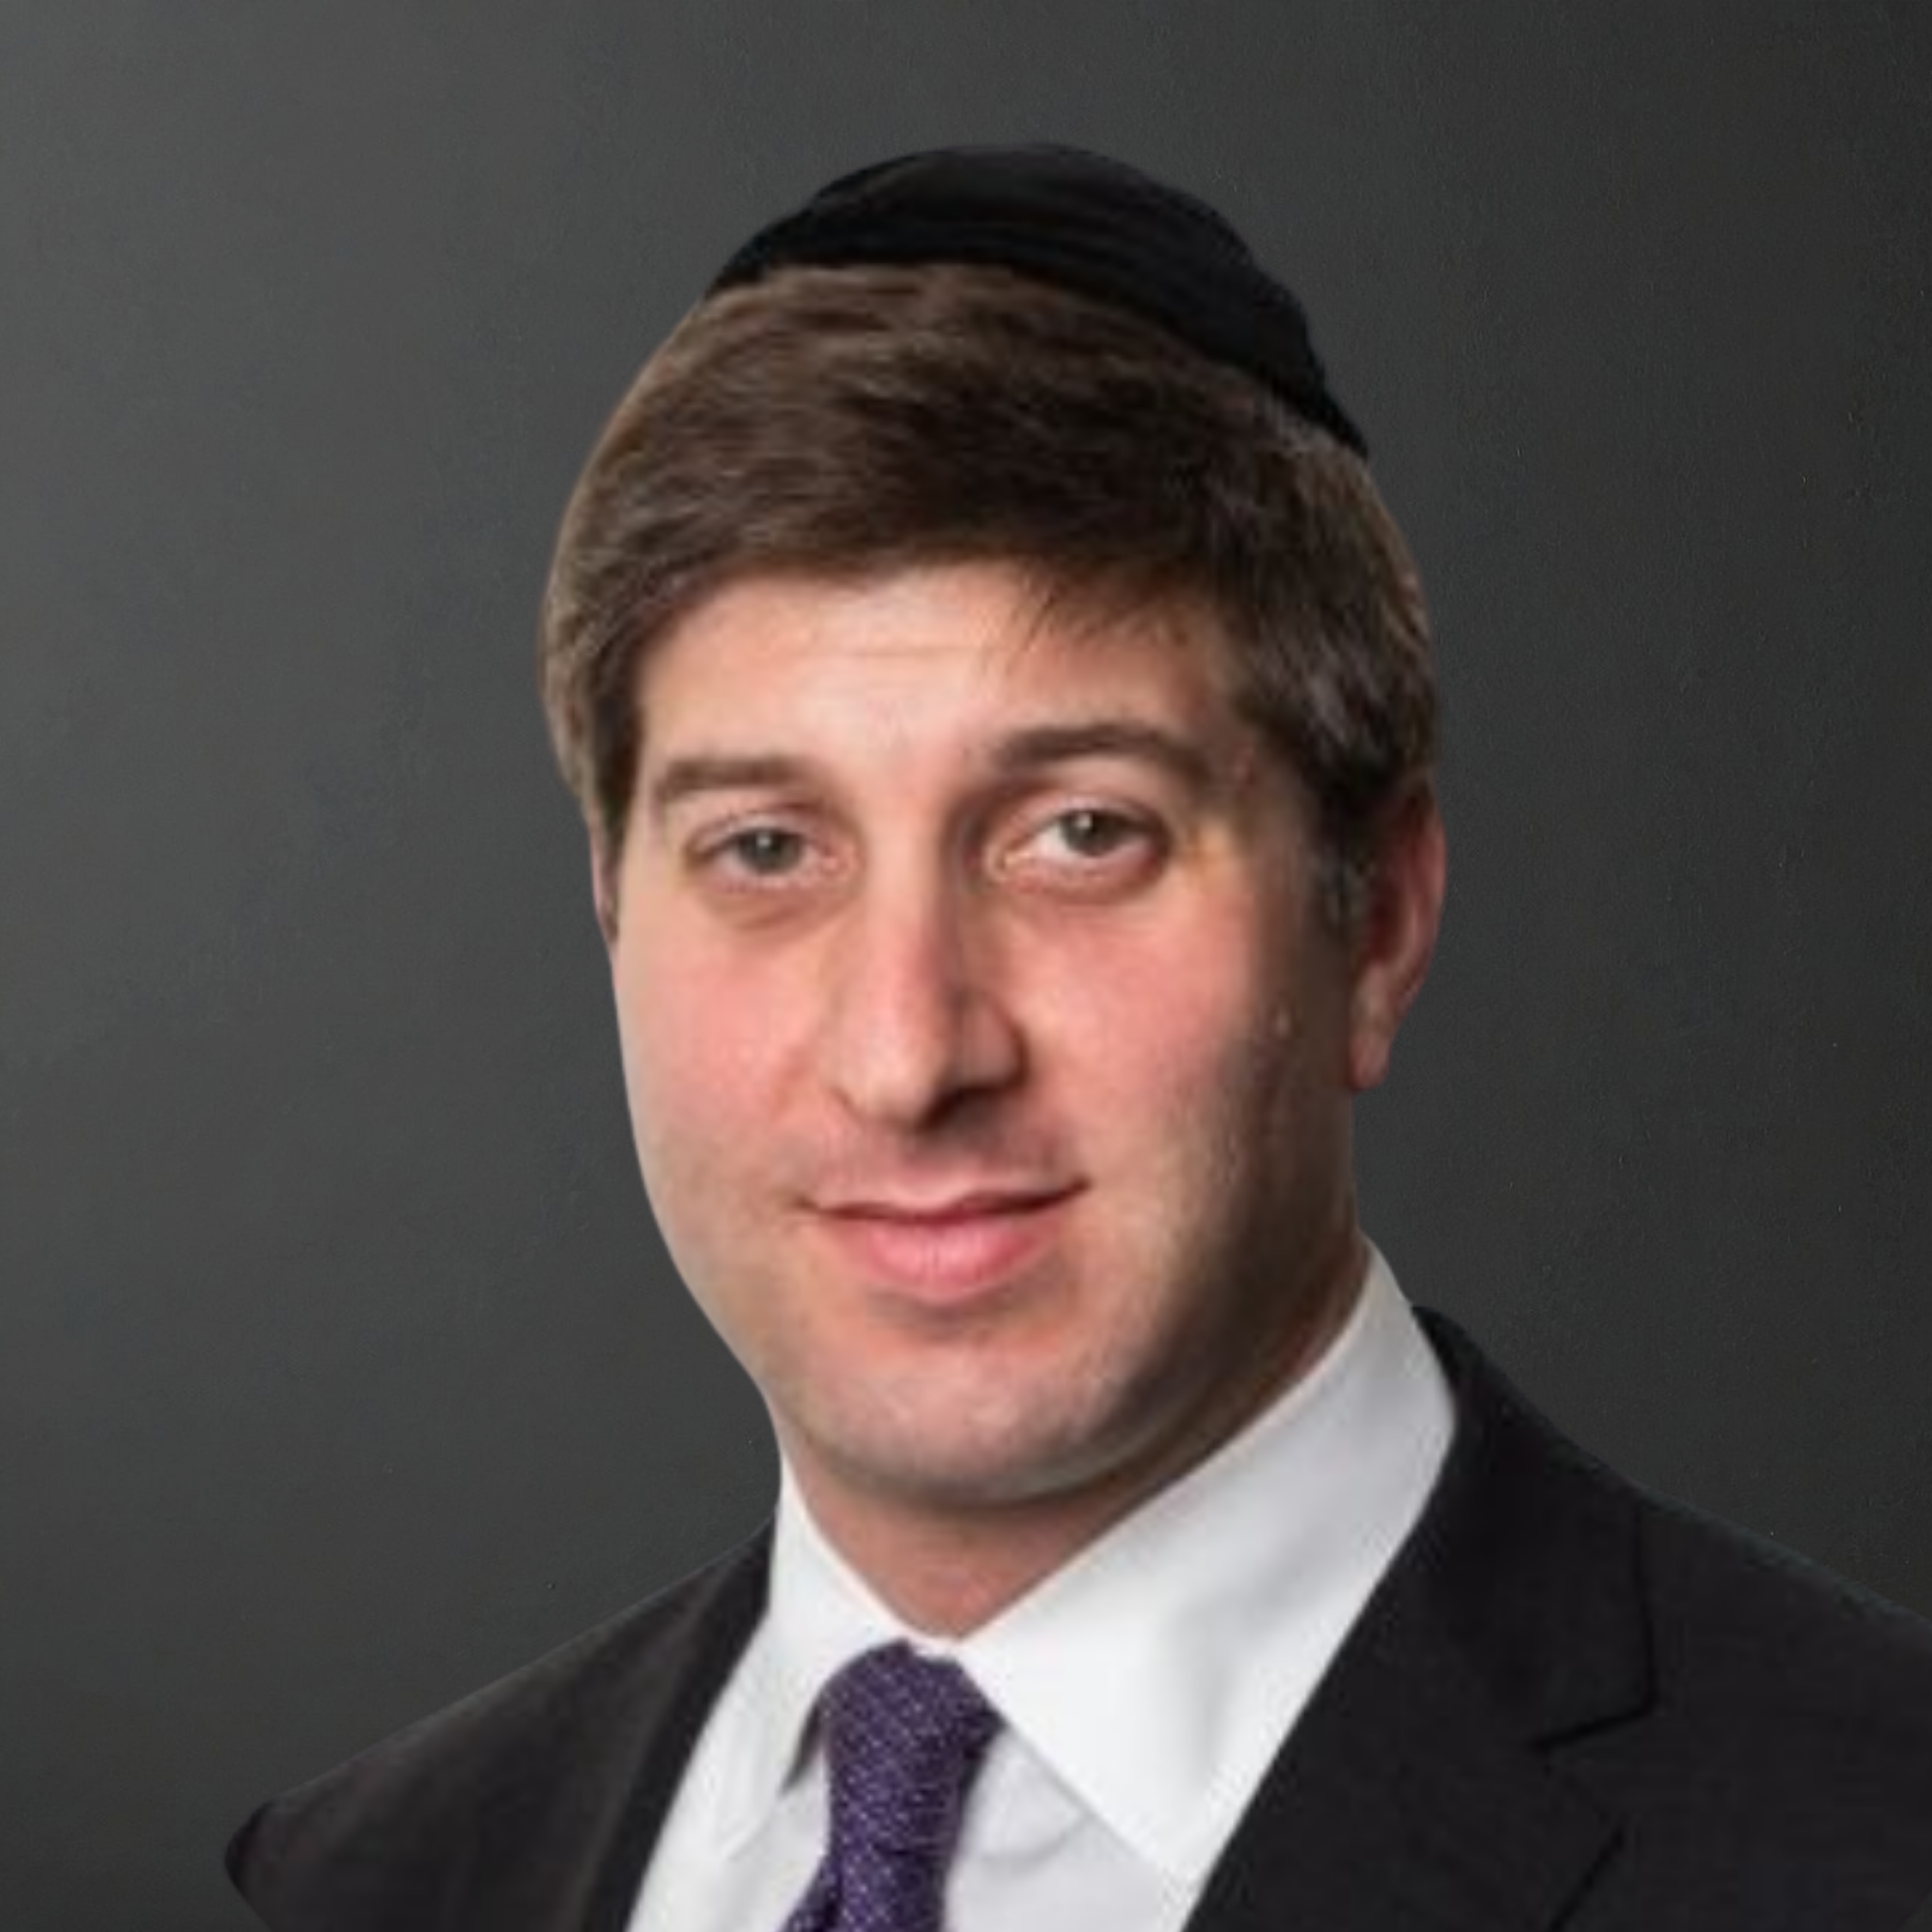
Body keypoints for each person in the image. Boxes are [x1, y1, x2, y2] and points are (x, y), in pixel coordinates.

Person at [225, 146, 1932, 1931]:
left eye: (1081, 834)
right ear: (612, 917)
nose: (909, 1055)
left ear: (1376, 919)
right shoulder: (376, 1880)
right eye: (768, 851)